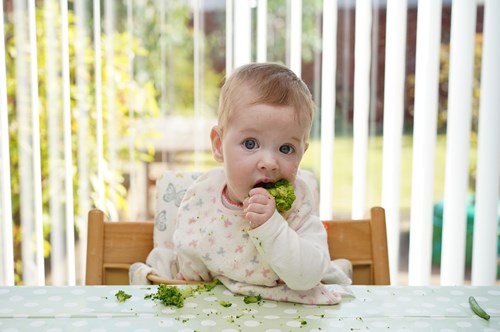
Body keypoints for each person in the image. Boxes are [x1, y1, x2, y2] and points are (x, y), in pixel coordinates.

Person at [171, 62, 351, 304]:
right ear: (218, 145)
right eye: (250, 143)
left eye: (286, 148)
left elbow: (306, 278)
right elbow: (190, 250)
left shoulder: (297, 207)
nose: (269, 162)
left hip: (288, 313)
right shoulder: (204, 195)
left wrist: (272, 226)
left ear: (301, 154)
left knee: (325, 270)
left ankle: (341, 269)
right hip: (222, 311)